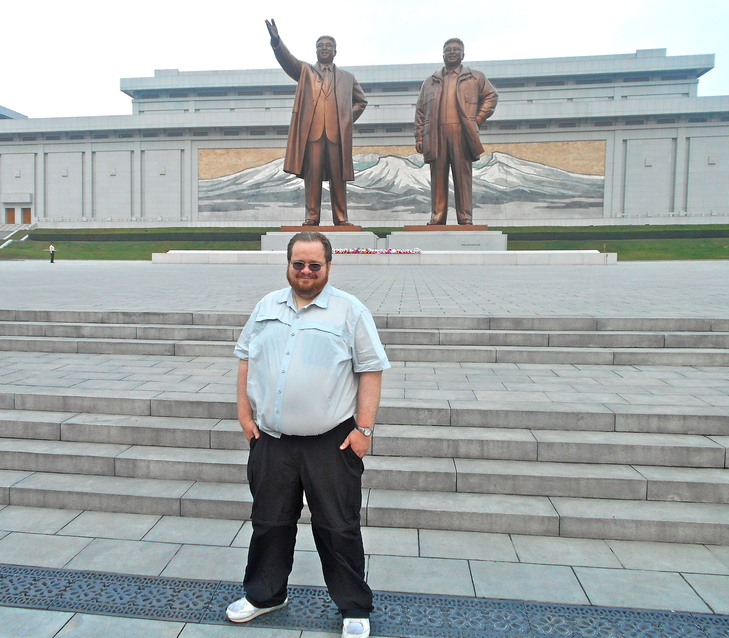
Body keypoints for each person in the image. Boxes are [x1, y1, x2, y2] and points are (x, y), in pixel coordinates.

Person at [227, 231, 389, 638]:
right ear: (288, 265)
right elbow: (246, 358)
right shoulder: (266, 306)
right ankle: (265, 595)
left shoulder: (349, 311)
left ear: (328, 267)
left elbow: (371, 370)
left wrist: (363, 430)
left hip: (330, 443)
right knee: (269, 522)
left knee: (338, 526)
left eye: (314, 265)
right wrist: (245, 415)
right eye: (298, 263)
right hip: (272, 442)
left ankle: (353, 606)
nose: (305, 271)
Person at [266, 19, 368, 226]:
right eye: (320, 46)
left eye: (328, 46)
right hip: (312, 136)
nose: (324, 49)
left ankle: (341, 219)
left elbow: (361, 101)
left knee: (338, 178)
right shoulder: (305, 72)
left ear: (335, 52)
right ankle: (312, 217)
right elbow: (288, 61)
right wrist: (277, 41)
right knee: (312, 178)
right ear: (315, 51)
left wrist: (346, 120)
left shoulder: (347, 78)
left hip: (336, 136)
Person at [414, 38, 498, 225]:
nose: (452, 52)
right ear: (442, 54)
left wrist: (477, 120)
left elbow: (491, 96)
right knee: (438, 177)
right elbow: (420, 111)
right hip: (436, 135)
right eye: (448, 49)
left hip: (462, 133)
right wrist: (420, 136)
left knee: (463, 176)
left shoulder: (475, 77)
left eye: (456, 49)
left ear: (463, 54)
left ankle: (465, 216)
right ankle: (438, 216)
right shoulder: (430, 82)